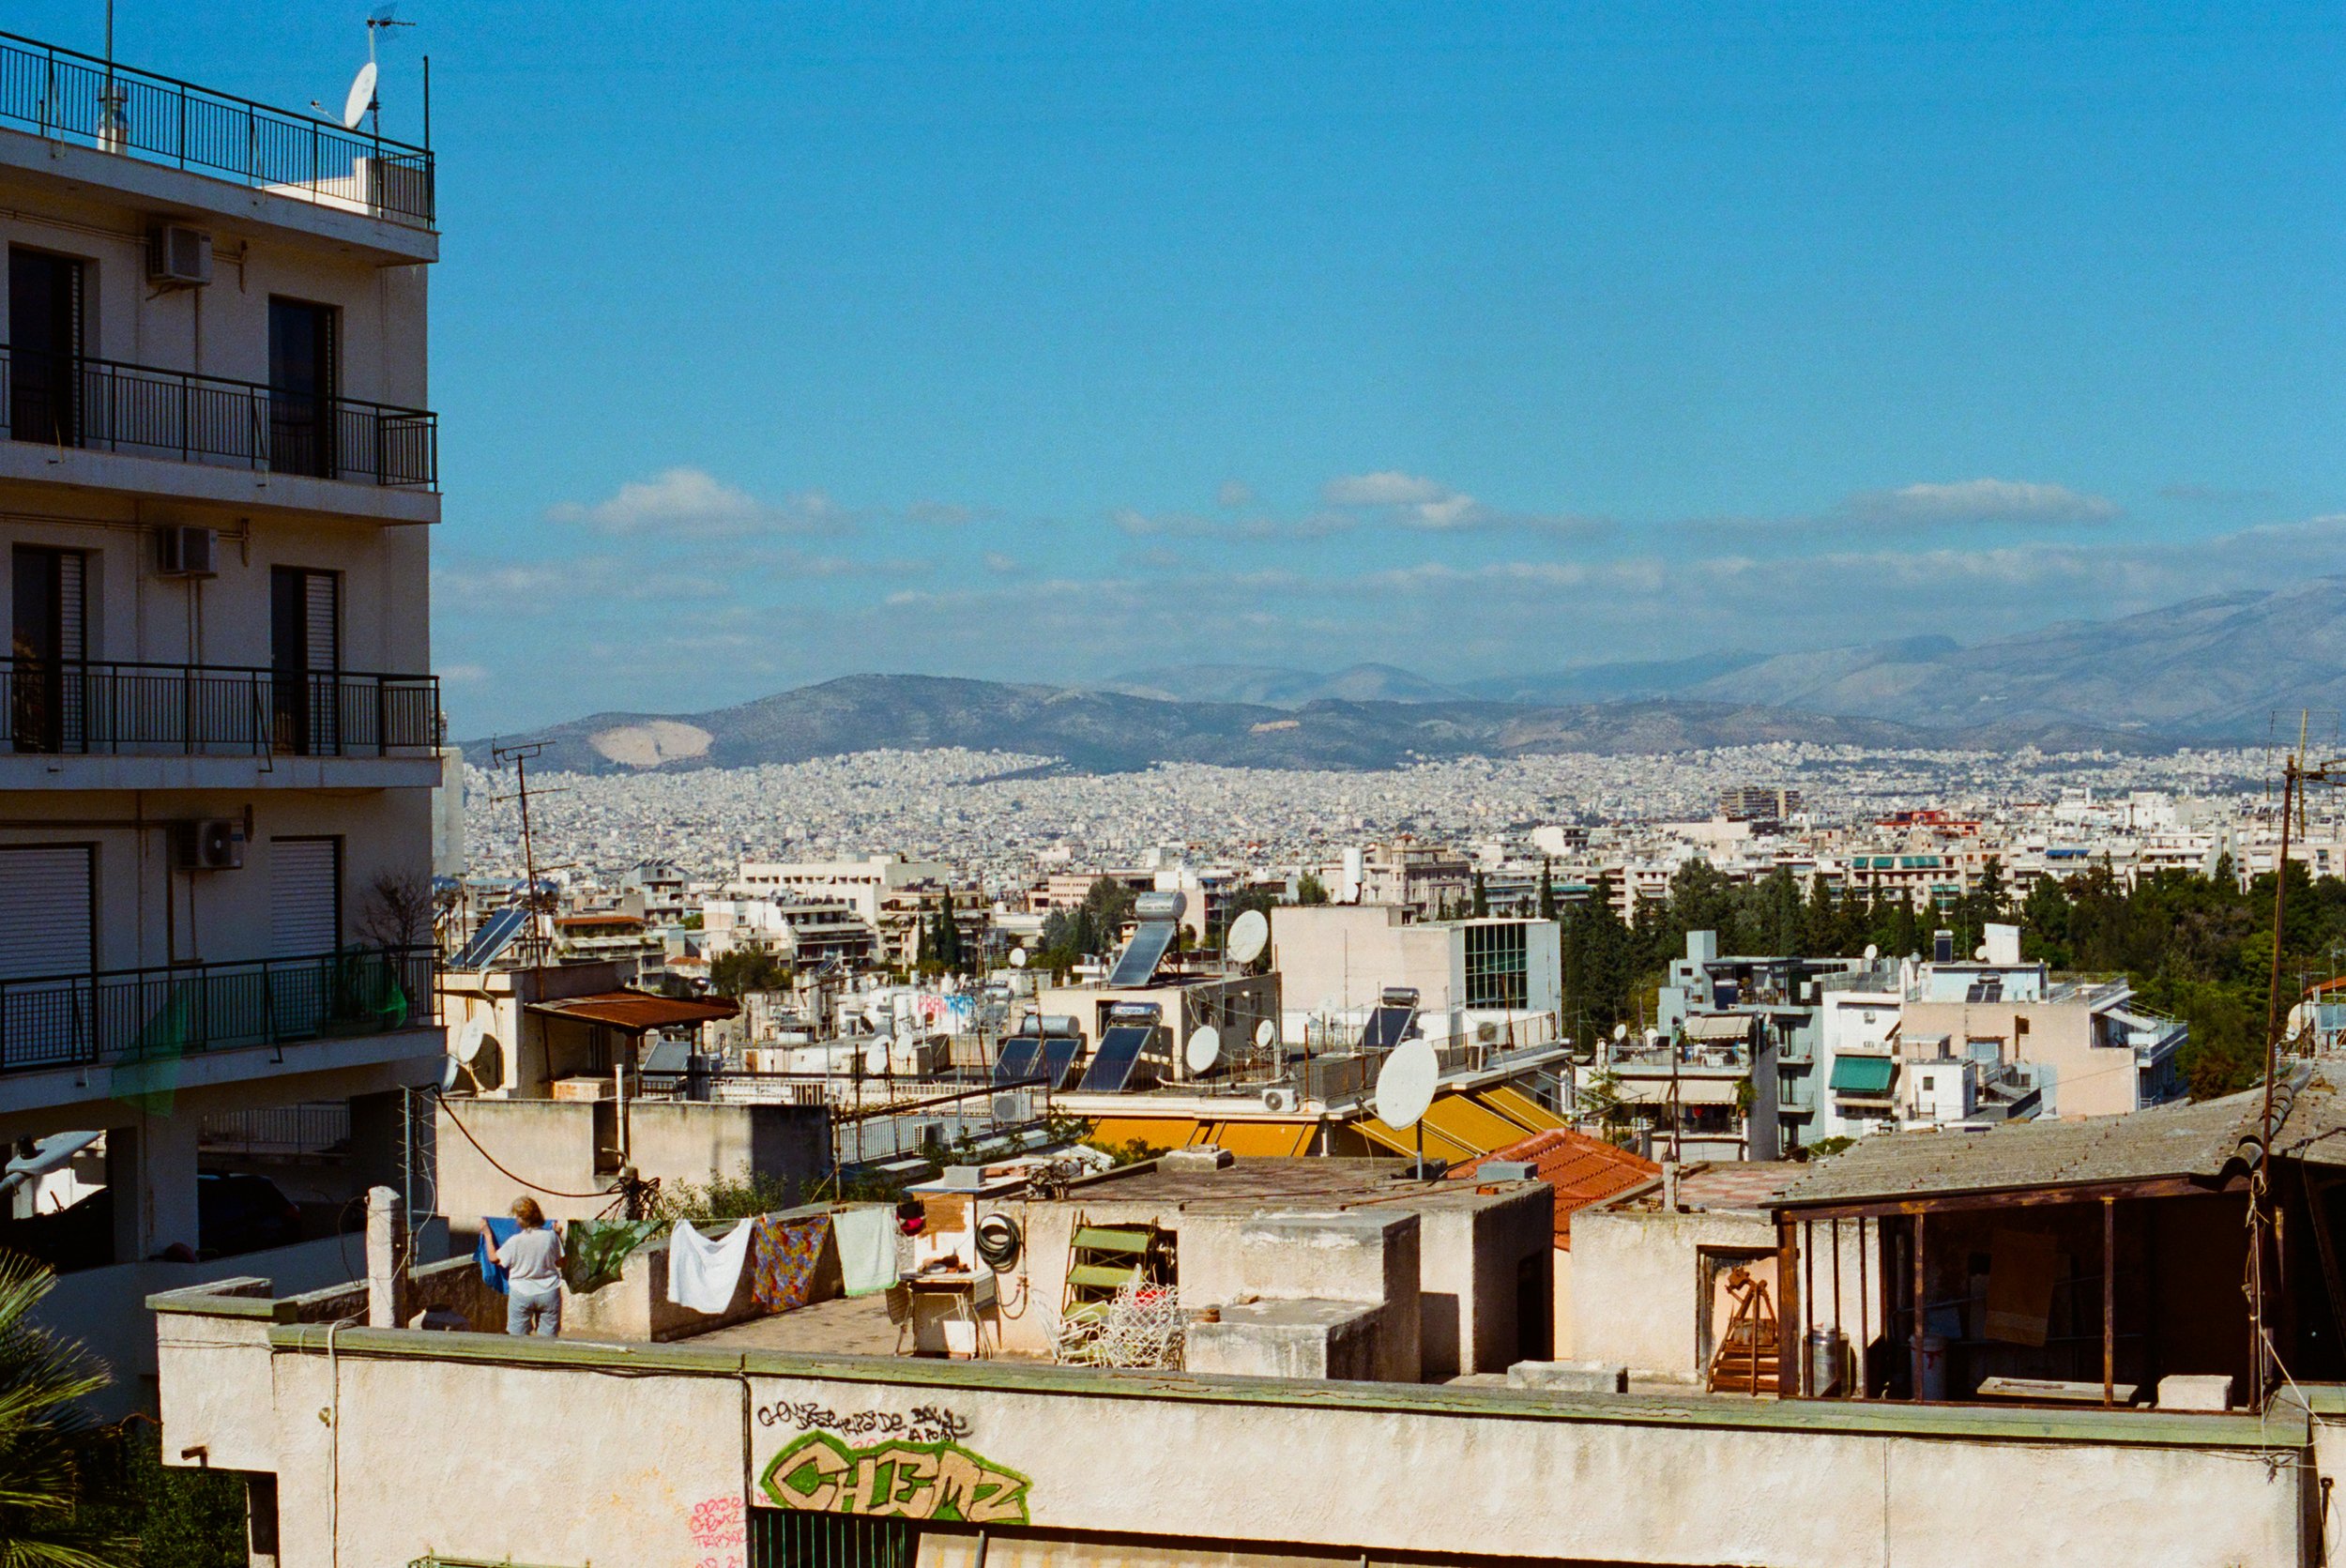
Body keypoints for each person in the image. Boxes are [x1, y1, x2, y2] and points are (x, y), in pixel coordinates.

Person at [497, 1196, 563, 1336]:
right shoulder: (551, 1237)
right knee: (548, 1340)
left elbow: (495, 1259)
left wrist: (487, 1234)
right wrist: (558, 1236)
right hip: (549, 1291)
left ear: (521, 1218)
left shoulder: (514, 1241)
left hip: (521, 1292)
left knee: (518, 1339)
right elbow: (560, 1262)